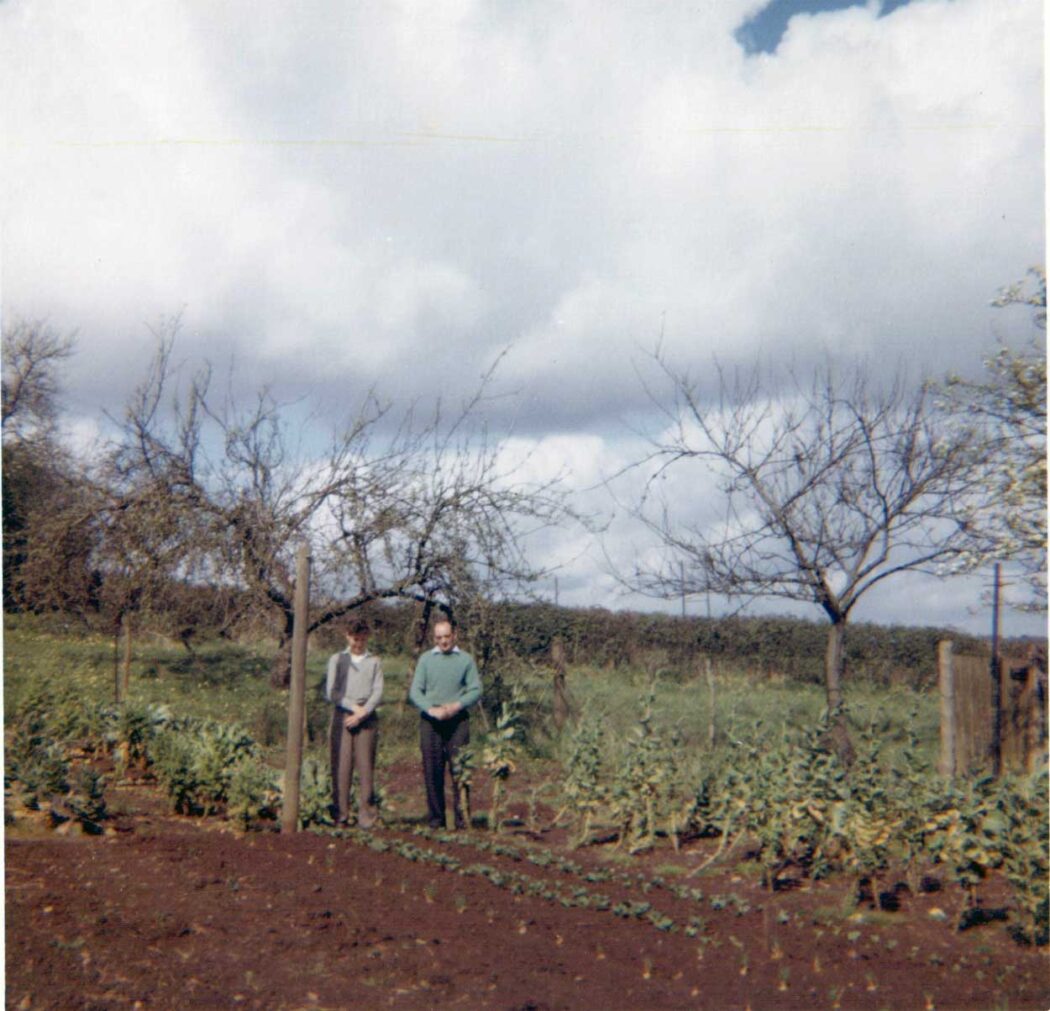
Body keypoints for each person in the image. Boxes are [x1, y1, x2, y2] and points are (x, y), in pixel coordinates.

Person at [409, 618, 482, 829]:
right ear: (434, 638)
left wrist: (456, 706)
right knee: (433, 771)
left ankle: (462, 821)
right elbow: (415, 692)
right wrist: (432, 709)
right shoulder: (425, 660)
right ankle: (436, 822)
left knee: (460, 769)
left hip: (457, 720)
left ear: (454, 636)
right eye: (439, 638)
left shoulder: (465, 660)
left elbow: (475, 690)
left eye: (447, 637)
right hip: (431, 720)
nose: (443, 642)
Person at [326, 618, 383, 828]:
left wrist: (364, 712)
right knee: (341, 766)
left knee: (366, 767)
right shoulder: (337, 660)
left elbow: (378, 690)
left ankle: (367, 818)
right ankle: (340, 815)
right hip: (343, 715)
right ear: (347, 636)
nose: (358, 643)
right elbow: (332, 692)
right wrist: (352, 708)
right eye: (354, 638)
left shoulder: (374, 661)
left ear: (367, 637)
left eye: (361, 638)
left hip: (366, 717)